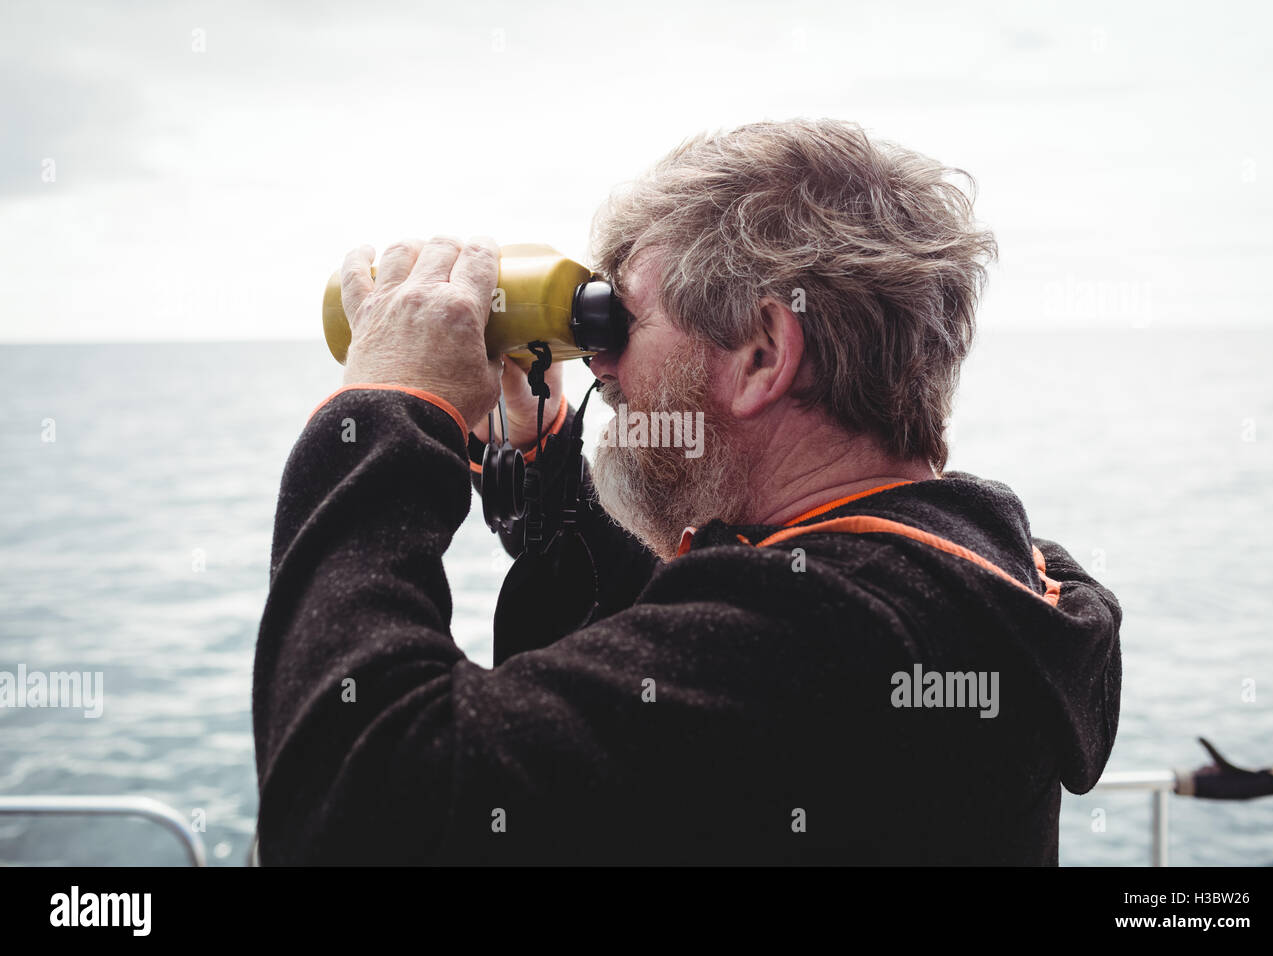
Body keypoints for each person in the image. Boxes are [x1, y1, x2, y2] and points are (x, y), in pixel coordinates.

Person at [252, 118, 1122, 865]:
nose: (598, 362)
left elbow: (354, 806)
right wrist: (548, 470)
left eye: (621, 321)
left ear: (762, 355)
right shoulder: (987, 575)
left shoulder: (824, 633)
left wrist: (390, 410)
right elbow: (672, 654)